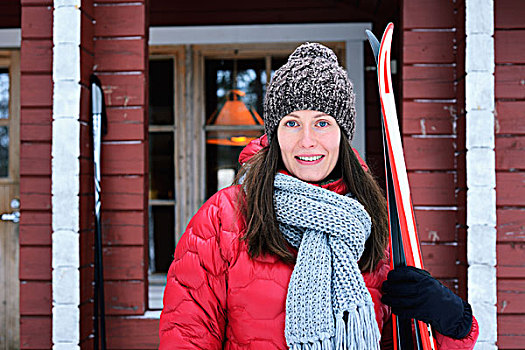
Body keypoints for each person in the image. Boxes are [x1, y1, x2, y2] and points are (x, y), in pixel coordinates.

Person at [159, 43, 478, 349]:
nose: (307, 140)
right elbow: (186, 338)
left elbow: (409, 340)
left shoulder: (371, 220)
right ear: (275, 134)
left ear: (342, 133)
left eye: (322, 123)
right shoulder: (224, 216)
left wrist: (452, 321)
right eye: (292, 123)